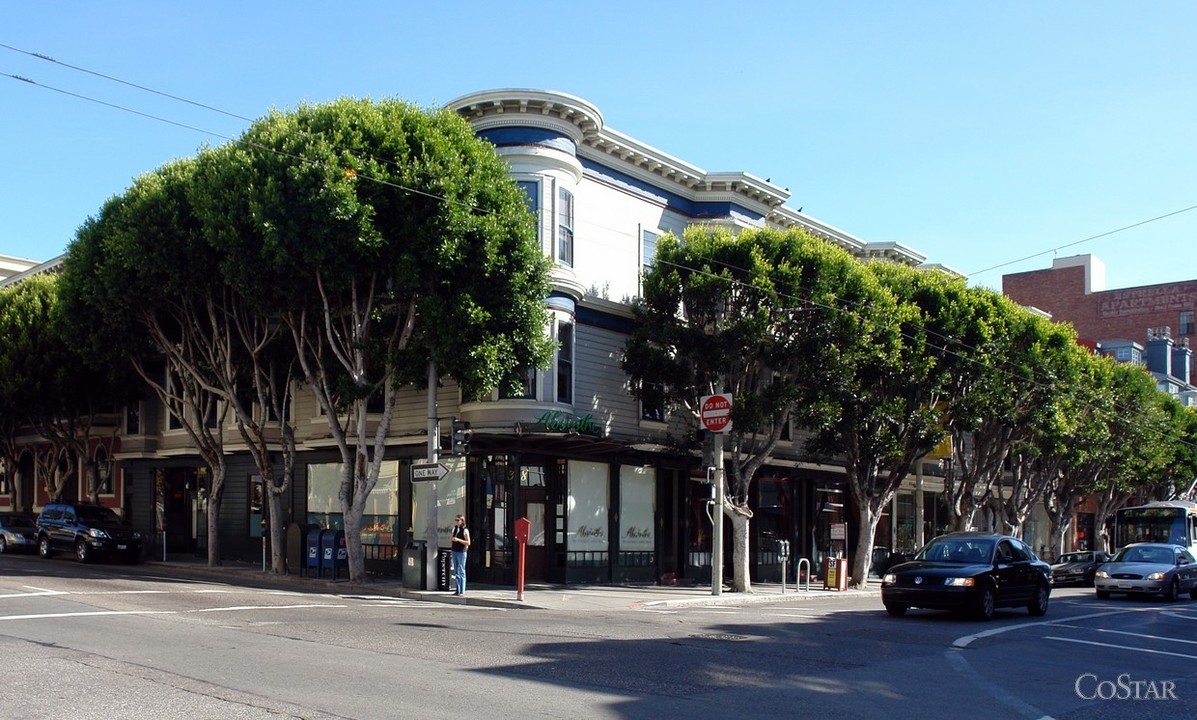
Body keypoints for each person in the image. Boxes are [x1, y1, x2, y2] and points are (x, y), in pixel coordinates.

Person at [450, 514, 470, 596]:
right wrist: (452, 539)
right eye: (455, 520)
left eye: (458, 520)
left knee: (461, 570)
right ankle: (457, 589)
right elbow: (451, 539)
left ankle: (462, 590)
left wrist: (458, 539)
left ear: (462, 521)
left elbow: (468, 542)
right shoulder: (454, 529)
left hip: (462, 552)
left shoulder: (465, 530)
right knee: (456, 570)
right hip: (454, 551)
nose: (456, 522)